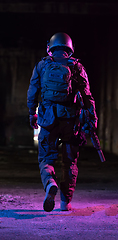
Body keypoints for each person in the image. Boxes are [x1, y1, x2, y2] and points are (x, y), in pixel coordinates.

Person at [27, 32, 97, 212]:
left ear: (50, 47)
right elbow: (88, 96)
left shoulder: (42, 65)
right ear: (69, 48)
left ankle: (50, 182)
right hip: (71, 121)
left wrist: (32, 114)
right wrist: (92, 119)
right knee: (70, 162)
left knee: (45, 157)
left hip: (49, 119)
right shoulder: (77, 67)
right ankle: (66, 202)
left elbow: (33, 91)